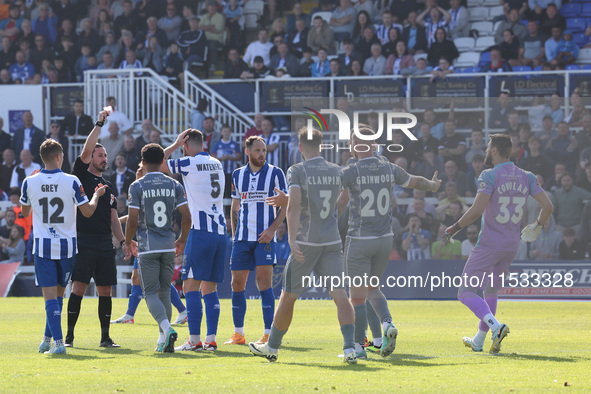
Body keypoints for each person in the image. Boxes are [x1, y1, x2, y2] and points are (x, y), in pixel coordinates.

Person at [249, 127, 357, 364]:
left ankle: (273, 347)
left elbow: (295, 205)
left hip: (306, 243)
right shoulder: (336, 170)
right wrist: (331, 217)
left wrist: (290, 238)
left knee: (288, 296)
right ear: (321, 146)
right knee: (340, 296)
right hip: (331, 241)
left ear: (299, 147)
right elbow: (342, 200)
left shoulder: (297, 170)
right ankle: (350, 348)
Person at [445, 133, 553, 354]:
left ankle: (496, 327)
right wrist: (538, 225)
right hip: (511, 245)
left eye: (488, 147)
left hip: (488, 245)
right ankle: (479, 340)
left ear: (494, 150)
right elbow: (548, 206)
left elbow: (477, 210)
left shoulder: (489, 175)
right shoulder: (527, 176)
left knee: (465, 292)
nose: (486, 150)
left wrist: (455, 227)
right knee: (491, 290)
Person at [338, 126, 441, 359]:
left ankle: (357, 348)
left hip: (360, 238)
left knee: (357, 297)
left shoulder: (351, 170)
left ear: (355, 144)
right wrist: (433, 185)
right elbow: (414, 181)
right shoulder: (388, 166)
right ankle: (387, 324)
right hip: (385, 239)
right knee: (373, 288)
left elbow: (332, 192)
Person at [21, 139, 105, 354]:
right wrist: (96, 195)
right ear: (59, 156)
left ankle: (58, 345)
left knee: (50, 298)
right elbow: (87, 211)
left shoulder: (29, 182)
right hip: (67, 246)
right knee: (58, 296)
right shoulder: (72, 181)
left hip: (43, 246)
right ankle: (47, 339)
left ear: (42, 157)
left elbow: (25, 213)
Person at [65, 110, 130, 349]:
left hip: (104, 242)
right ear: (90, 158)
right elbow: (85, 150)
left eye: (105, 155)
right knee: (79, 287)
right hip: (83, 240)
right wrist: (99, 124)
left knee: (105, 290)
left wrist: (122, 241)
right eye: (100, 155)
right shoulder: (80, 175)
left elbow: (114, 218)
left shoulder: (109, 184)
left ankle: (105, 338)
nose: (104, 158)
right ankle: (69, 337)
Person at [162, 129, 228, 351]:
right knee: (210, 289)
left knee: (190, 286)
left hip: (200, 231)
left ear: (186, 144)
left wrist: (173, 144)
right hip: (220, 232)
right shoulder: (217, 163)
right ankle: (210, 339)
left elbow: (157, 162)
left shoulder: (188, 162)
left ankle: (194, 340)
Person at [125, 143, 191, 352]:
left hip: (148, 245)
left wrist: (128, 241)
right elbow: (187, 216)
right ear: (163, 161)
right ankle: (162, 342)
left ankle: (166, 328)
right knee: (164, 293)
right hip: (169, 245)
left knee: (150, 293)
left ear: (142, 162)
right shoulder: (175, 185)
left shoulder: (137, 186)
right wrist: (181, 239)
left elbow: (133, 219)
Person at [225, 136, 287, 346]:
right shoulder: (237, 175)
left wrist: (272, 229)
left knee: (264, 284)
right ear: (248, 151)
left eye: (264, 150)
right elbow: (235, 207)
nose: (262, 154)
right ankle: (238, 334)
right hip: (242, 238)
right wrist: (235, 236)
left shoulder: (275, 173)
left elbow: (285, 204)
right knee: (237, 284)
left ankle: (268, 333)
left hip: (264, 238)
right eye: (258, 150)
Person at [211, 124, 241, 199]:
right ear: (221, 132)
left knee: (231, 190)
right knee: (222, 190)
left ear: (230, 132)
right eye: (224, 131)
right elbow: (212, 156)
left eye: (228, 131)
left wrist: (230, 157)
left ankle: (230, 208)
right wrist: (221, 158)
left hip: (232, 171)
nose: (226, 133)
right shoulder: (217, 144)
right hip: (220, 171)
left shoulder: (234, 144)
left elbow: (239, 156)